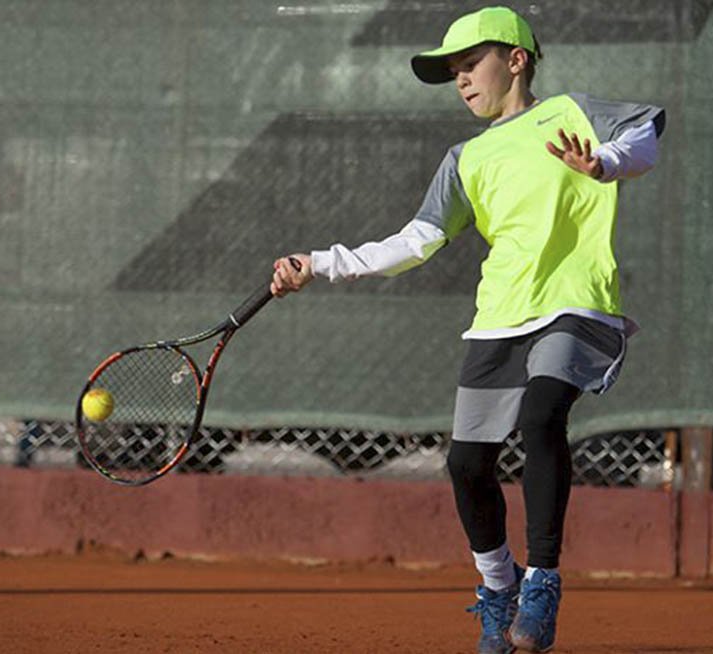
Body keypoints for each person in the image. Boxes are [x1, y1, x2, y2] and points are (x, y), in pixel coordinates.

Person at [270, 6, 664, 653]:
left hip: (575, 303)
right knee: (465, 464)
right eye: (452, 70)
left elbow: (645, 132)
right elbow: (415, 241)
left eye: (470, 63)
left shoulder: (571, 112)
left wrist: (606, 162)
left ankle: (541, 581)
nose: (460, 79)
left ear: (516, 59)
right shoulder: (467, 157)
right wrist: (320, 263)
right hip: (499, 316)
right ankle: (498, 587)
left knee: (542, 415)